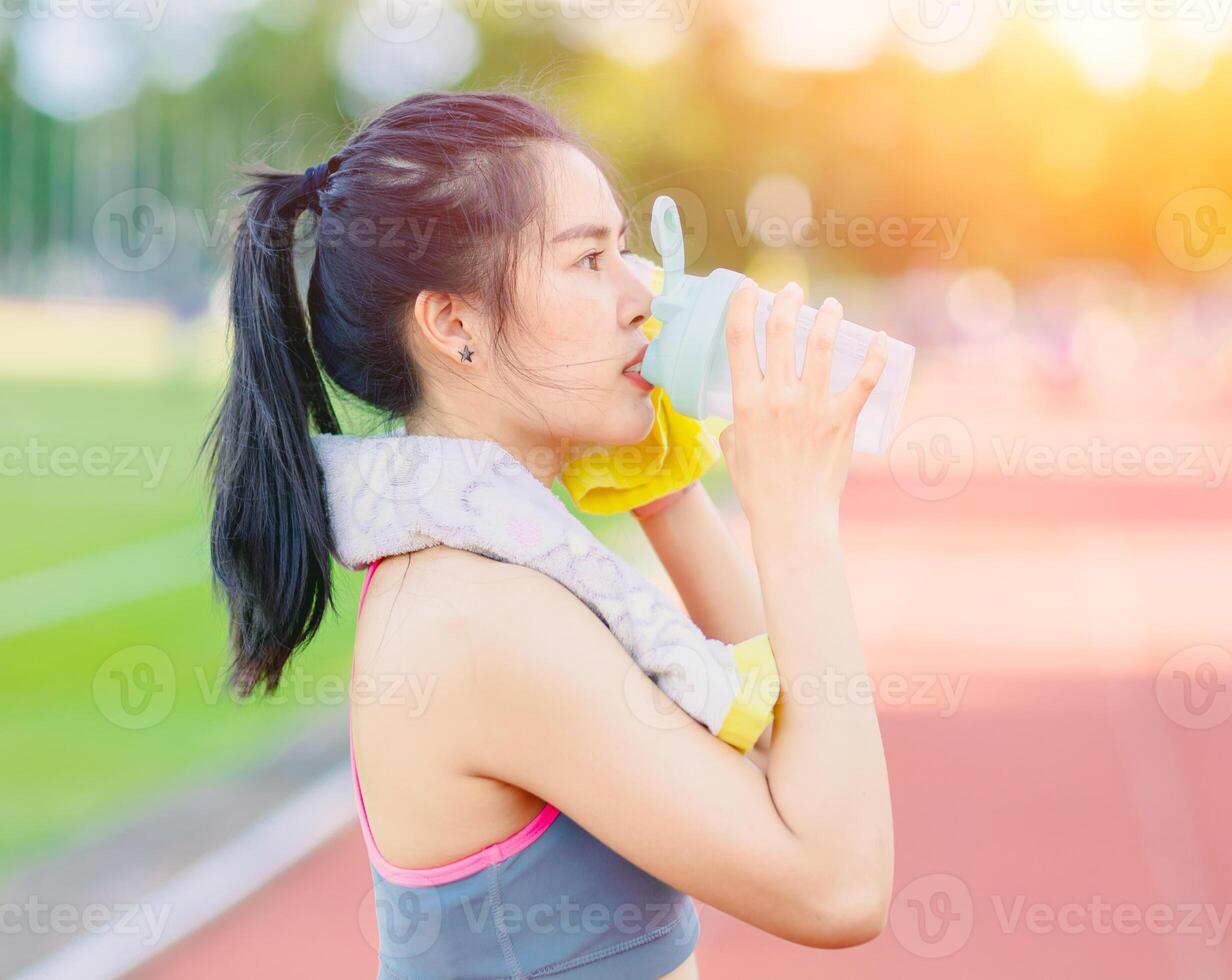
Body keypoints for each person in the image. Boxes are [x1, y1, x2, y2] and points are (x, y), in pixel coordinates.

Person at [205, 89, 894, 978]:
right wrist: (796, 522)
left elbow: (780, 753)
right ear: (455, 323)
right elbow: (838, 884)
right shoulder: (480, 621)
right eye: (590, 260)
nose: (642, 296)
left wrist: (667, 496)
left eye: (625, 250)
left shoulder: (487, 570)